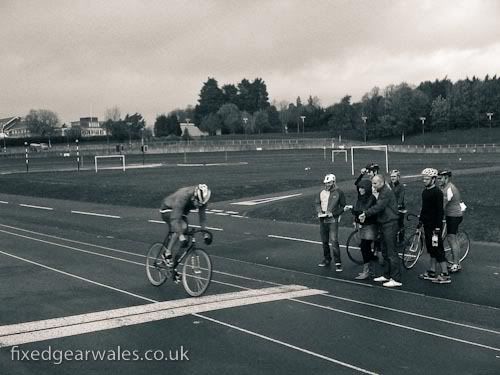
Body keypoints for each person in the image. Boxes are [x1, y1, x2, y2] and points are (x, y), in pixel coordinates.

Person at [159, 184, 212, 280]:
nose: (198, 206)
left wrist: (205, 234)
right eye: (197, 202)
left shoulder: (203, 199)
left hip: (181, 212)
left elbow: (202, 217)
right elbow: (175, 219)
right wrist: (180, 236)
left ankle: (172, 266)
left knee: (186, 241)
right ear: (194, 196)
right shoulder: (183, 196)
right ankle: (167, 253)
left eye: (201, 204)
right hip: (168, 209)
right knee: (182, 227)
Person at [358, 175, 402, 287]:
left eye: (375, 183)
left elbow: (379, 207)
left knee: (391, 252)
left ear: (382, 182)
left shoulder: (386, 192)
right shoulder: (382, 191)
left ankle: (396, 278)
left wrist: (366, 213)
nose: (373, 186)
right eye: (372, 183)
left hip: (390, 223)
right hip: (383, 223)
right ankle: (387, 275)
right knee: (385, 250)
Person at [418, 168, 451, 284]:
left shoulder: (437, 193)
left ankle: (445, 274)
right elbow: (424, 208)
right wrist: (420, 221)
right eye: (424, 179)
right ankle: (432, 271)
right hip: (427, 225)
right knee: (431, 248)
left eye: (427, 179)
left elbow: (439, 212)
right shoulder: (425, 192)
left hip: (434, 227)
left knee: (437, 249)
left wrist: (437, 228)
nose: (424, 181)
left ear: (433, 179)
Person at [316, 173, 347, 271]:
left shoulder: (339, 192)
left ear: (334, 182)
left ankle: (338, 262)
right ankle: (327, 259)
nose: (327, 185)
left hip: (332, 219)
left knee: (334, 240)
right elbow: (317, 203)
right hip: (322, 218)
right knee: (324, 241)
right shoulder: (321, 192)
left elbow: (343, 206)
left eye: (329, 183)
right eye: (326, 183)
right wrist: (319, 211)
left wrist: (333, 214)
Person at [351, 178, 378, 280]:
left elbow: (364, 210)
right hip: (362, 225)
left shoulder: (371, 198)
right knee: (364, 247)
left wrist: (357, 212)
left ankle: (367, 270)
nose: (360, 190)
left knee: (364, 247)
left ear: (367, 188)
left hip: (369, 225)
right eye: (359, 188)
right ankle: (371, 268)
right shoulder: (360, 198)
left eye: (362, 188)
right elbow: (356, 210)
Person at [438, 169, 464, 272]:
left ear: (446, 178)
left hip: (454, 215)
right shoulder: (443, 187)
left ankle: (457, 264)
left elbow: (442, 205)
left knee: (451, 238)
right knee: (450, 238)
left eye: (440, 178)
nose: (438, 180)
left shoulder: (449, 189)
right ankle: (455, 261)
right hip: (450, 214)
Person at [389, 169, 406, 242]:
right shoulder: (388, 186)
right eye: (391, 176)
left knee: (400, 224)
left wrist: (397, 205)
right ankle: (393, 240)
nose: (392, 178)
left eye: (394, 176)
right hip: (390, 208)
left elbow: (401, 199)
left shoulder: (401, 187)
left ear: (398, 177)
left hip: (399, 209)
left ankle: (401, 240)